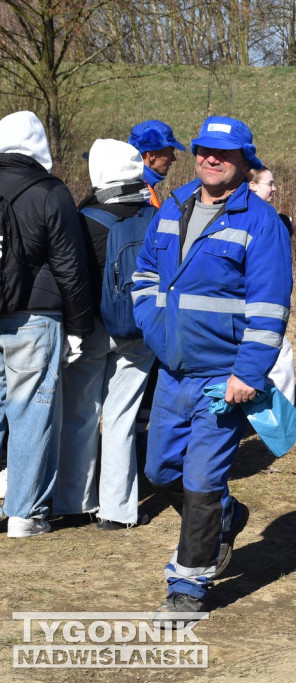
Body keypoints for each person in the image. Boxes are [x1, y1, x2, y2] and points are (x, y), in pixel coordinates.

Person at [132, 115, 292, 618]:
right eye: (202, 149)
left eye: (223, 153)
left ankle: (189, 585)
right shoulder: (174, 203)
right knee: (160, 471)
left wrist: (248, 372)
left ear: (246, 161)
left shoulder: (260, 222)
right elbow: (144, 273)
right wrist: (151, 325)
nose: (210, 158)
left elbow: (269, 308)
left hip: (221, 378)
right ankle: (227, 514)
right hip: (171, 371)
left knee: (200, 481)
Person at [53, 139, 157, 530]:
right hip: (139, 329)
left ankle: (74, 502)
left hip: (92, 328)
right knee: (122, 418)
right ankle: (118, 511)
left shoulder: (84, 219)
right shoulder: (156, 217)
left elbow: (72, 278)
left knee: (81, 415)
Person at [0, 111, 93, 538]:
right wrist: (78, 325)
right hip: (35, 317)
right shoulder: (50, 192)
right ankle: (25, 511)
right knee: (31, 412)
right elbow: (70, 267)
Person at [248, 167, 296, 405]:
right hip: (254, 303)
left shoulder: (266, 216)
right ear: (252, 185)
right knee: (279, 352)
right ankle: (283, 416)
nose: (275, 188)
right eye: (270, 183)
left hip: (259, 300)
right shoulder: (255, 217)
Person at [128, 120, 186, 208]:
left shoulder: (129, 182)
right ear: (151, 155)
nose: (174, 159)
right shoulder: (141, 194)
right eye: (170, 154)